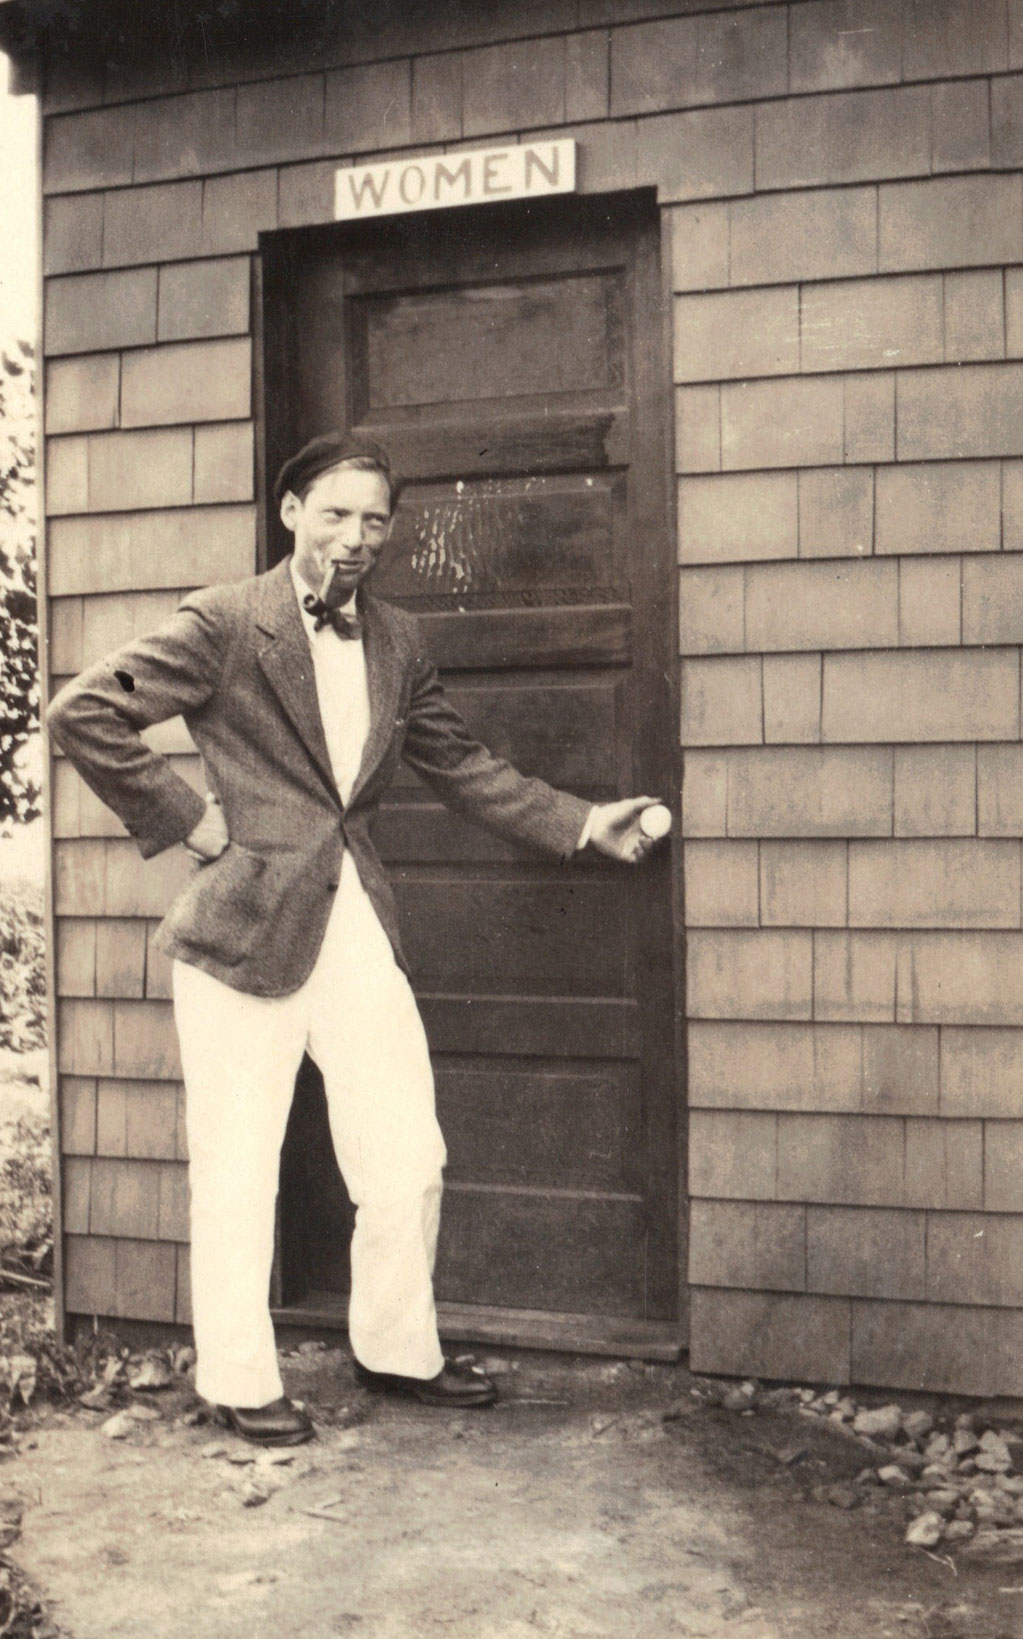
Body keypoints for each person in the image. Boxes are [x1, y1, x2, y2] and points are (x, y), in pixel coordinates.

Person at [46, 433, 663, 1446]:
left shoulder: (398, 642)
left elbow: (463, 766)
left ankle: (396, 1346)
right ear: (292, 511)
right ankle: (240, 1379)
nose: (357, 535)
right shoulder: (224, 622)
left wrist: (586, 820)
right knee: (240, 1163)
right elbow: (87, 712)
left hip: (355, 926)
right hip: (243, 931)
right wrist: (192, 820)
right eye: (336, 511)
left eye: (376, 519)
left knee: (409, 1153)